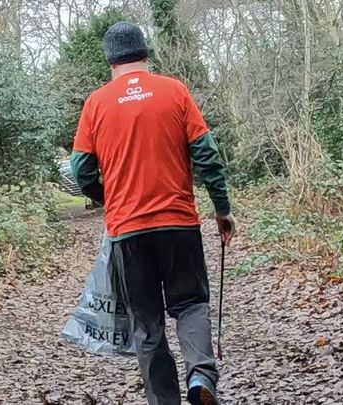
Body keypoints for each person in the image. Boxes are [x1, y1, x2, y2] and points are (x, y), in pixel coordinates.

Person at [70, 21, 236, 405]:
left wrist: (108, 197)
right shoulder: (174, 91)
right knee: (191, 303)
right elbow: (207, 155)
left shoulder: (96, 103)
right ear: (146, 54)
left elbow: (81, 170)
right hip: (178, 224)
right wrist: (222, 210)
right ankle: (200, 377)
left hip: (128, 231)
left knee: (147, 327)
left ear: (111, 61)